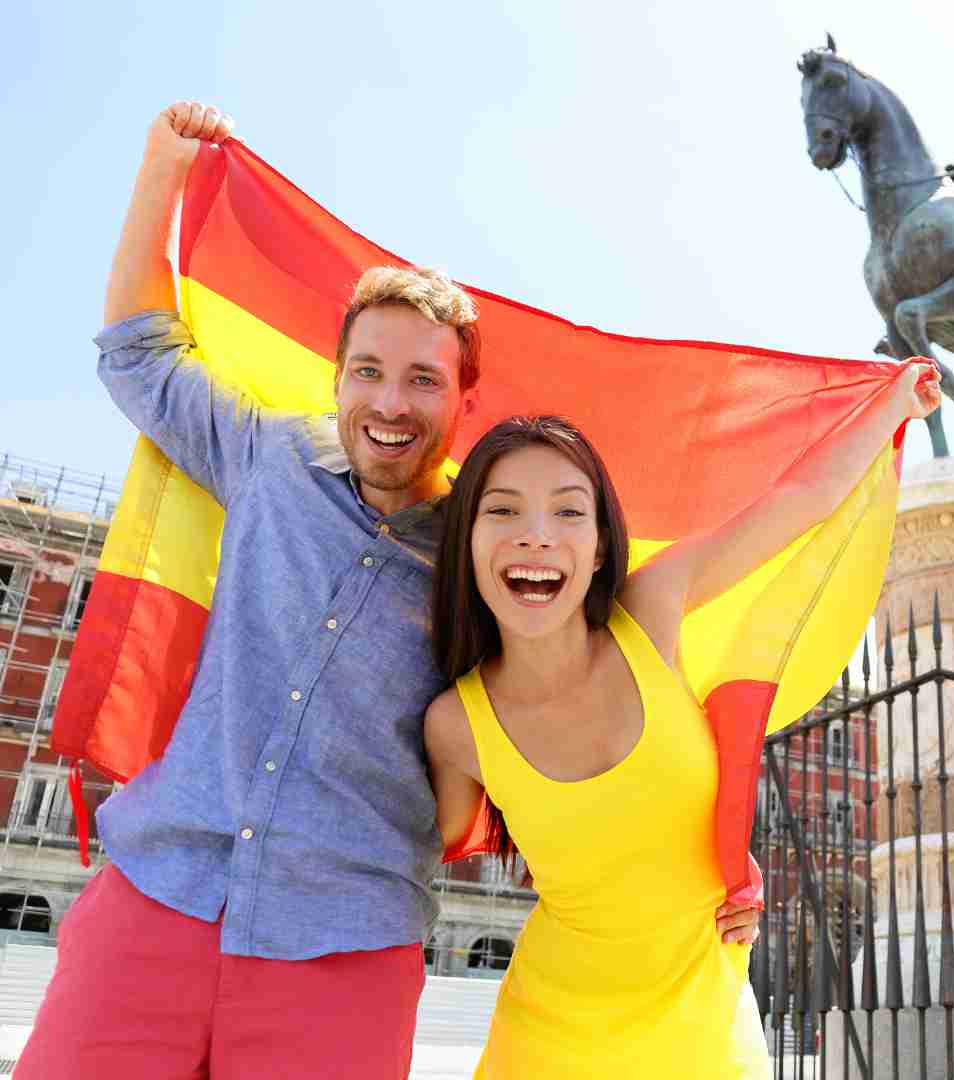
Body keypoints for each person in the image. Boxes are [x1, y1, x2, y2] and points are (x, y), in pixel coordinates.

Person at [16, 102, 760, 1079]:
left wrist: (714, 848)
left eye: (421, 379)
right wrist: (162, 166)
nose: (390, 402)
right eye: (368, 371)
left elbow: (608, 694)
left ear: (463, 399)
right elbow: (136, 353)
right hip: (159, 896)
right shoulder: (268, 460)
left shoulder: (496, 566)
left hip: (344, 946)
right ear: (337, 379)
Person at [424, 373, 940, 1077]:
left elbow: (796, 503)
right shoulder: (455, 724)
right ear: (469, 542)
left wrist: (894, 404)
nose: (537, 536)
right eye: (503, 511)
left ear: (602, 547)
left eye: (569, 513)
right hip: (544, 1044)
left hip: (707, 1032)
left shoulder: (653, 610)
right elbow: (410, 856)